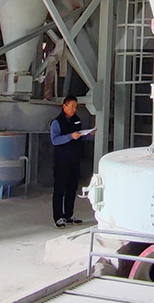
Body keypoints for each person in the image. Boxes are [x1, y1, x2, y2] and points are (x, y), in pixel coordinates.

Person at [50, 95, 95, 228]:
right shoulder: (57, 122)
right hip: (61, 161)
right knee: (60, 189)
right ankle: (58, 217)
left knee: (72, 188)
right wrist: (70, 136)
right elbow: (55, 140)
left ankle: (69, 215)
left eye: (75, 107)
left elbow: (79, 137)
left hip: (74, 160)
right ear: (64, 106)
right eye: (72, 107)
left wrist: (88, 135)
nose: (74, 109)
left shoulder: (76, 120)